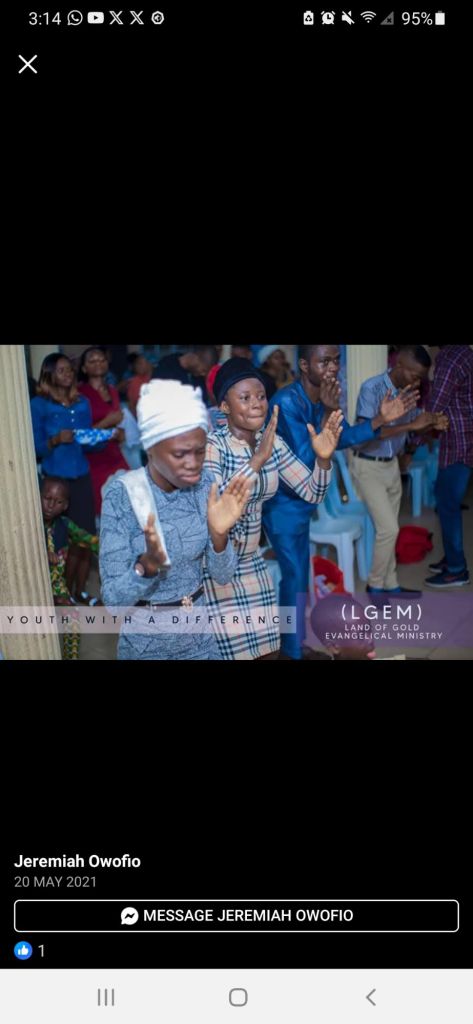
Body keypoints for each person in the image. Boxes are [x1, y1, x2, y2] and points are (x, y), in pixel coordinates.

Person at [262, 343, 422, 660]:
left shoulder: (328, 395)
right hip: (283, 507)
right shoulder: (286, 403)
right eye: (324, 362)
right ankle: (291, 651)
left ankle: (294, 645)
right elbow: (306, 459)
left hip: (305, 504)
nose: (333, 368)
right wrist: (326, 411)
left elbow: (344, 437)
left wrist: (379, 419)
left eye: (336, 360)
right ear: (304, 365)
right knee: (294, 578)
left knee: (298, 577)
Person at [100, 380, 252, 660]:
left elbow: (223, 575)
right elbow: (112, 602)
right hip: (145, 646)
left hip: (199, 638)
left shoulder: (205, 484)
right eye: (180, 454)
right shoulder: (124, 495)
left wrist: (219, 536)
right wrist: (145, 568)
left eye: (199, 451)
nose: (193, 463)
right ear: (150, 447)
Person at [204, 358, 343, 660]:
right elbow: (218, 506)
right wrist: (257, 461)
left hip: (252, 561)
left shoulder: (271, 442)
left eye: (260, 396)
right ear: (225, 407)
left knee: (269, 652)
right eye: (245, 398)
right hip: (218, 563)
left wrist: (322, 459)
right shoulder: (214, 446)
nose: (257, 404)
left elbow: (312, 493)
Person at [351, 345, 449, 595]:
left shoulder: (407, 392)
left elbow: (415, 422)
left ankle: (391, 583)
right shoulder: (372, 389)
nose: (418, 383)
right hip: (368, 466)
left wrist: (431, 422)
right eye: (415, 376)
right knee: (389, 529)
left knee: (390, 528)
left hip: (392, 465)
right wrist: (410, 426)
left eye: (421, 378)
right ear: (400, 365)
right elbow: (365, 435)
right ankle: (374, 585)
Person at [30, 353, 99, 605]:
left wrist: (102, 436)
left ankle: (79, 592)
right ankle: (61, 595)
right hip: (55, 482)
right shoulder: (39, 405)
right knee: (59, 542)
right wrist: (56, 440)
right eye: (61, 370)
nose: (68, 374)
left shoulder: (82, 403)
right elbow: (35, 448)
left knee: (86, 537)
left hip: (81, 476)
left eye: (70, 369)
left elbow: (88, 444)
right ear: (48, 374)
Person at [424, 344, 473, 588]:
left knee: (447, 505)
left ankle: (456, 569)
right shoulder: (464, 353)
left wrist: (410, 439)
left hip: (458, 443)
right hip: (463, 440)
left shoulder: (451, 358)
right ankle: (451, 558)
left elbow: (435, 407)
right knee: (445, 500)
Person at [41, 476, 100, 657]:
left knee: (73, 618)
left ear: (65, 506)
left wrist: (115, 551)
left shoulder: (65, 525)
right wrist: (42, 554)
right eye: (47, 498)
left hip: (55, 584)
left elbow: (90, 541)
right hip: (32, 585)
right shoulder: (28, 524)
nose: (51, 505)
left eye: (58, 502)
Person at [78, 346, 129, 516]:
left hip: (115, 453)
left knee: (127, 501)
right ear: (84, 368)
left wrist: (120, 433)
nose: (98, 363)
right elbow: (79, 433)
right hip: (95, 458)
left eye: (101, 360)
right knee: (104, 509)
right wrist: (107, 422)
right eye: (92, 361)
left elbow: (117, 422)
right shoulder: (80, 394)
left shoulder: (112, 390)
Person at [153, 345, 219, 405]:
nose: (203, 374)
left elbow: (204, 400)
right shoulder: (166, 367)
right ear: (195, 358)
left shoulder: (198, 376)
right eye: (204, 370)